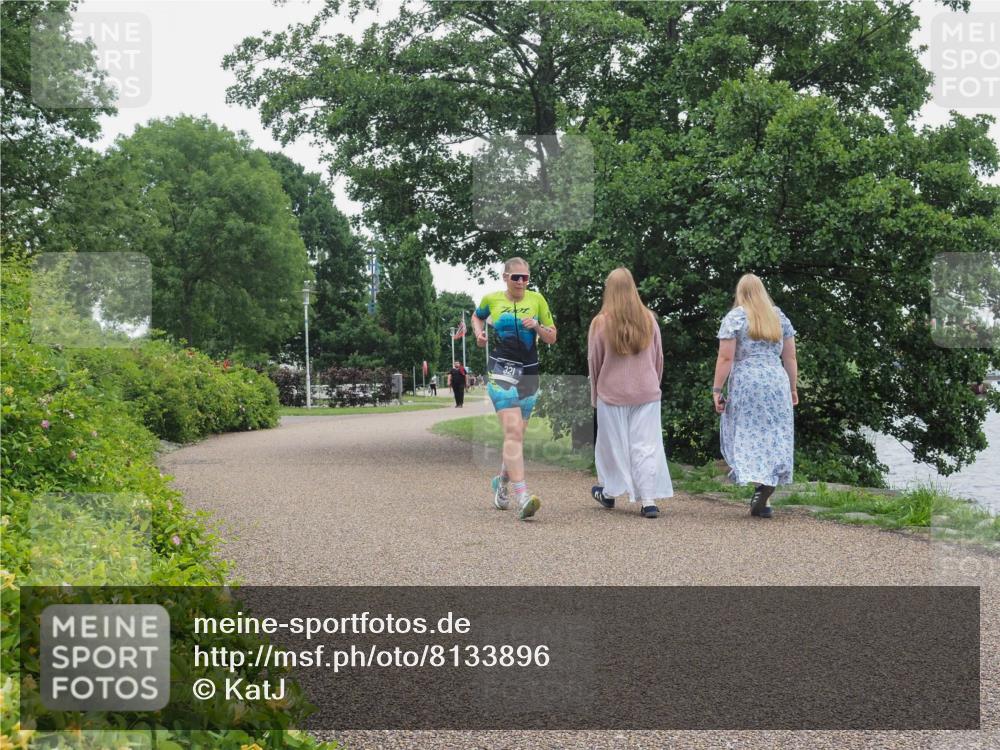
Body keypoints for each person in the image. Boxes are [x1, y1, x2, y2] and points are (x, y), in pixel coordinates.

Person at [472, 257, 556, 520]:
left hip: (529, 372)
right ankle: (523, 497)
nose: (520, 282)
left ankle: (501, 482)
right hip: (501, 370)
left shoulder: (537, 300)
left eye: (525, 277)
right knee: (512, 432)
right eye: (515, 277)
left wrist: (537, 327)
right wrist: (478, 334)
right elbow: (477, 316)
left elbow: (552, 337)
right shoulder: (491, 300)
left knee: (518, 437)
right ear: (505, 277)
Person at [588, 268, 673, 518]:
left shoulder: (600, 322)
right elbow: (658, 357)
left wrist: (595, 395)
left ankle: (610, 492)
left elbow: (594, 361)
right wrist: (653, 383)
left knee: (611, 446)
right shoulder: (649, 319)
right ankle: (648, 500)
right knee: (646, 446)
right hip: (646, 392)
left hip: (611, 392)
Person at [713, 273, 798, 518]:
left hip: (747, 381)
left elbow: (726, 358)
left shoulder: (736, 317)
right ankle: (766, 492)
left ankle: (760, 483)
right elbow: (790, 357)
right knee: (774, 432)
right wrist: (793, 388)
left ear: (740, 293)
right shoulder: (778, 317)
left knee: (748, 430)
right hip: (776, 380)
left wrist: (717, 389)